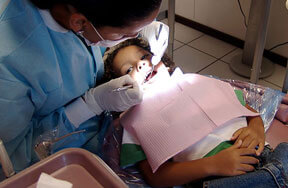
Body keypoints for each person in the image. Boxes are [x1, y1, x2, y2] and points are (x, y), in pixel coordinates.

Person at [0, 0, 162, 173]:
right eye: (123, 35)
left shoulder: (80, 14)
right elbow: (11, 163)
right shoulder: (10, 63)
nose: (135, 37)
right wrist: (90, 105)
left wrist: (135, 35)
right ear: (78, 22)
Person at [103, 37, 288, 188]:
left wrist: (256, 127)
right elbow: (156, 178)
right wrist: (214, 164)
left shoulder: (195, 81)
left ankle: (274, 175)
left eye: (144, 55)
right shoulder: (135, 120)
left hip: (261, 154)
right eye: (128, 69)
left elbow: (243, 107)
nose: (141, 64)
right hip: (217, 177)